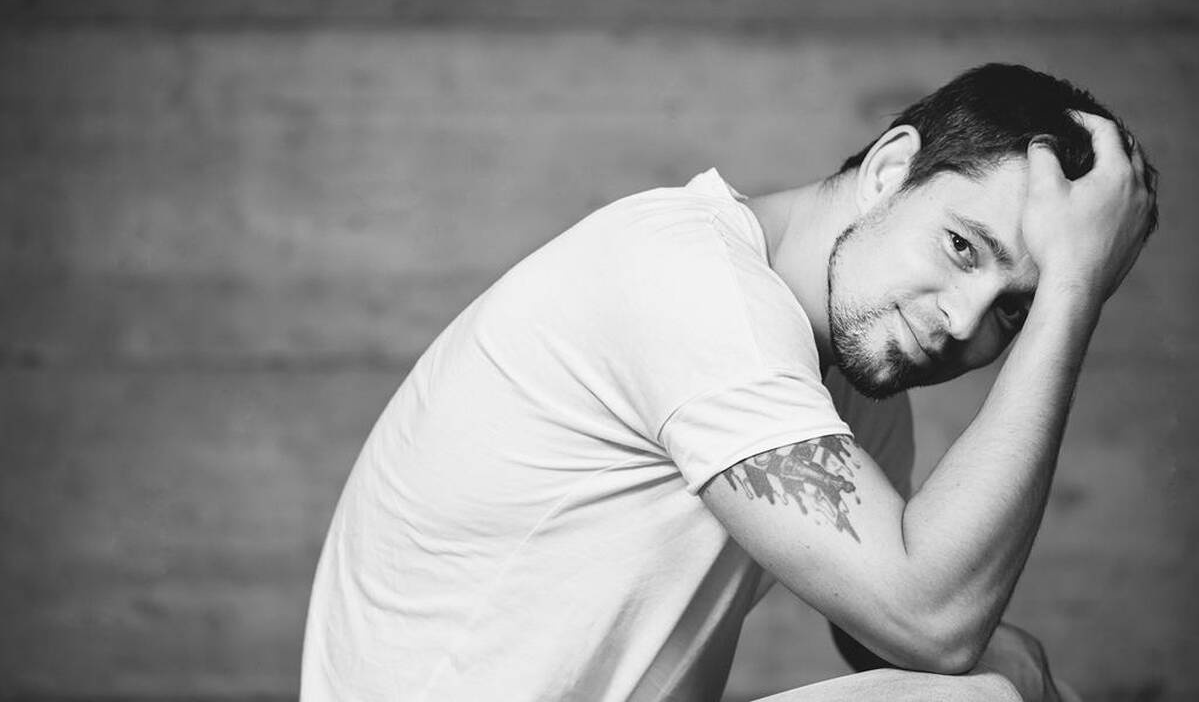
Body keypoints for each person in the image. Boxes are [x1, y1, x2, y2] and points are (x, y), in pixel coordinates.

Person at [300, 64, 1158, 701]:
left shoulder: (856, 382)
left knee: (1001, 678)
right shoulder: (692, 286)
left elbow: (878, 629)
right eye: (962, 247)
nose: (965, 321)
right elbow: (926, 618)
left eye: (1015, 310)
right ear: (890, 169)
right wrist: (1072, 295)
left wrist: (1016, 664)